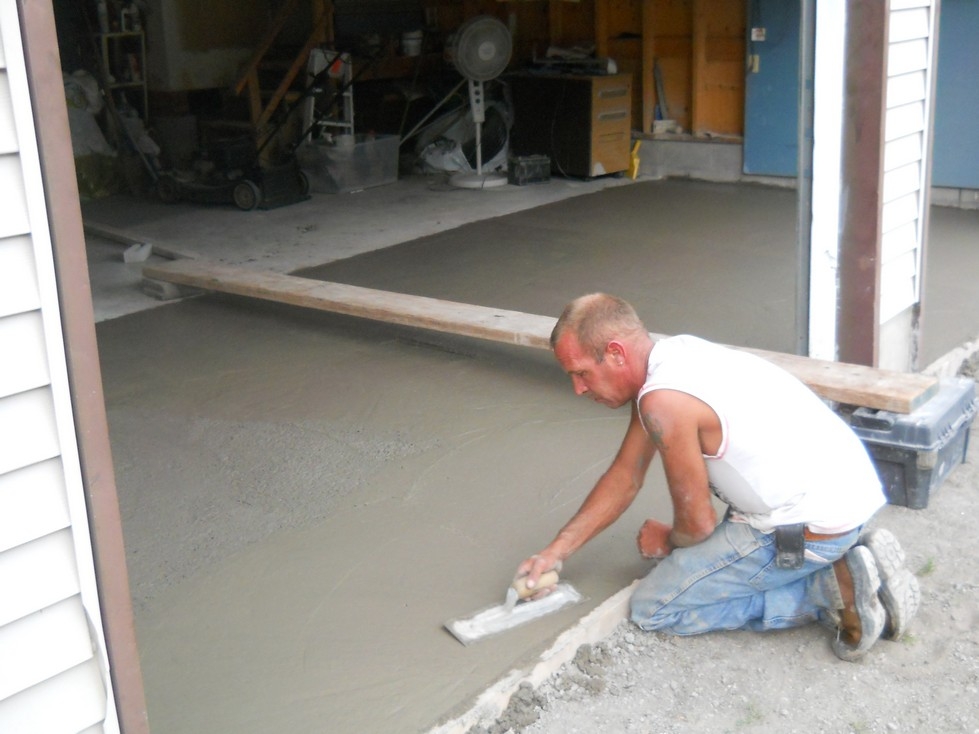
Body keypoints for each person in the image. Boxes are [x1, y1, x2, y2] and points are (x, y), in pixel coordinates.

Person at [517, 293, 919, 660]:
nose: (577, 388)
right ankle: (848, 562)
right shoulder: (677, 356)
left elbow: (698, 525)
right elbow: (625, 476)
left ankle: (831, 589)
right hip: (848, 495)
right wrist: (557, 551)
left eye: (582, 373)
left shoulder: (664, 402)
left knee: (655, 606)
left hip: (810, 526)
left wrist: (668, 540)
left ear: (617, 353)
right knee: (706, 552)